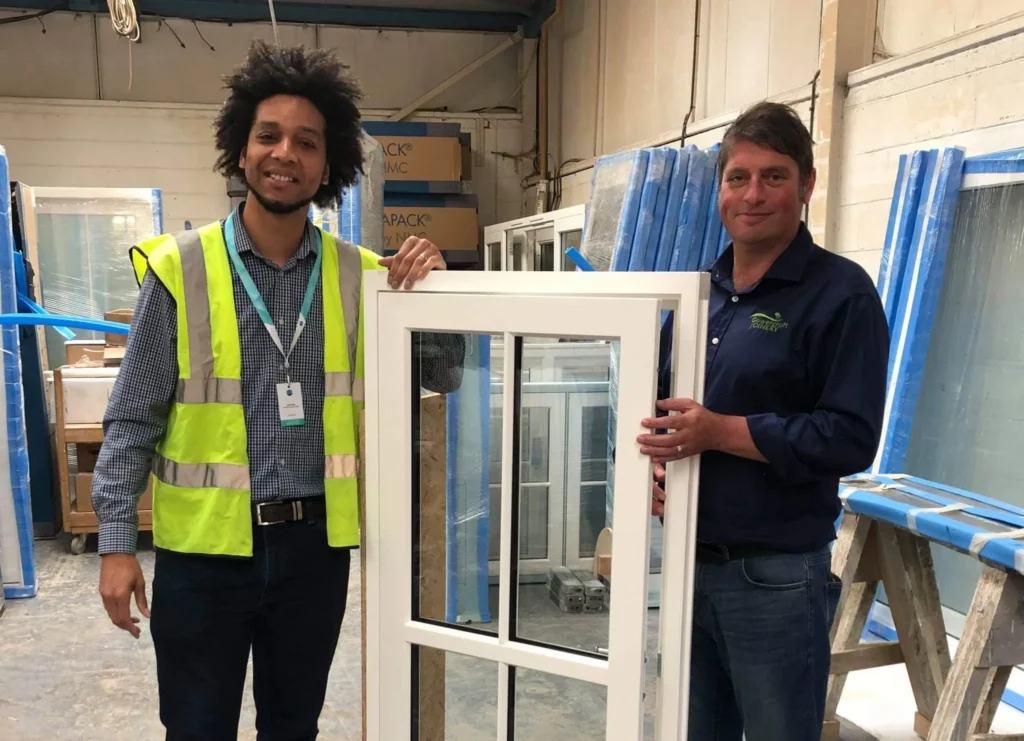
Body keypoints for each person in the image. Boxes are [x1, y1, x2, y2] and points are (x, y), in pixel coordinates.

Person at [92, 41, 465, 740]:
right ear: (241, 149)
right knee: (198, 729)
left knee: (293, 729)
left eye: (306, 142)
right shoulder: (182, 269)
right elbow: (131, 420)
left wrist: (433, 295)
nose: (283, 153)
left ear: (328, 166)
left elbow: (442, 374)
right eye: (268, 135)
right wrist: (116, 544)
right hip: (201, 559)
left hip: (312, 553)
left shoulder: (365, 276)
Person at [635, 102, 890, 740]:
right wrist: (654, 469)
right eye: (738, 177)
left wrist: (720, 431)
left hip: (774, 575)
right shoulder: (701, 292)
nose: (753, 195)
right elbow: (659, 404)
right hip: (689, 562)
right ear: (720, 188)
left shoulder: (841, 294)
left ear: (806, 185)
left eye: (773, 176)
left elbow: (850, 436)